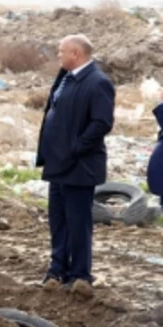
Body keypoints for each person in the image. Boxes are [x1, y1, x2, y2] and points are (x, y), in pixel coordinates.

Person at [36, 34, 114, 295]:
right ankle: (57, 269)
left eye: (61, 51)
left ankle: (80, 274)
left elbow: (101, 123)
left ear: (76, 54)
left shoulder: (97, 82)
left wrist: (75, 148)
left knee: (77, 222)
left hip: (79, 166)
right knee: (58, 219)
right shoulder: (66, 77)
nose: (58, 55)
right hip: (58, 164)